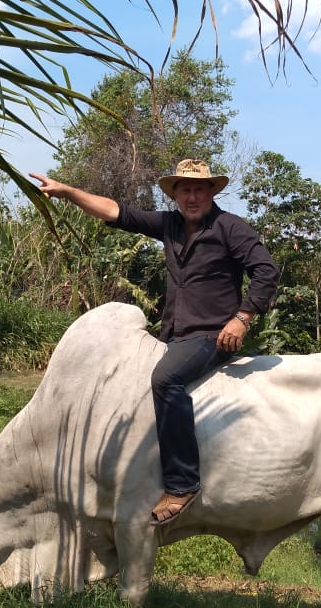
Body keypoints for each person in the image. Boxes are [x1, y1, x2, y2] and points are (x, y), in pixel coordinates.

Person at [30, 158, 279, 526]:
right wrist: (67, 192)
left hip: (212, 335)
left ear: (211, 192)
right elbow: (117, 212)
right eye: (185, 189)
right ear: (175, 194)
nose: (192, 197)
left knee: (166, 379)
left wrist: (242, 318)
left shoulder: (230, 228)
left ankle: (183, 484)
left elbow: (266, 271)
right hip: (174, 335)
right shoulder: (170, 225)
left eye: (199, 189)